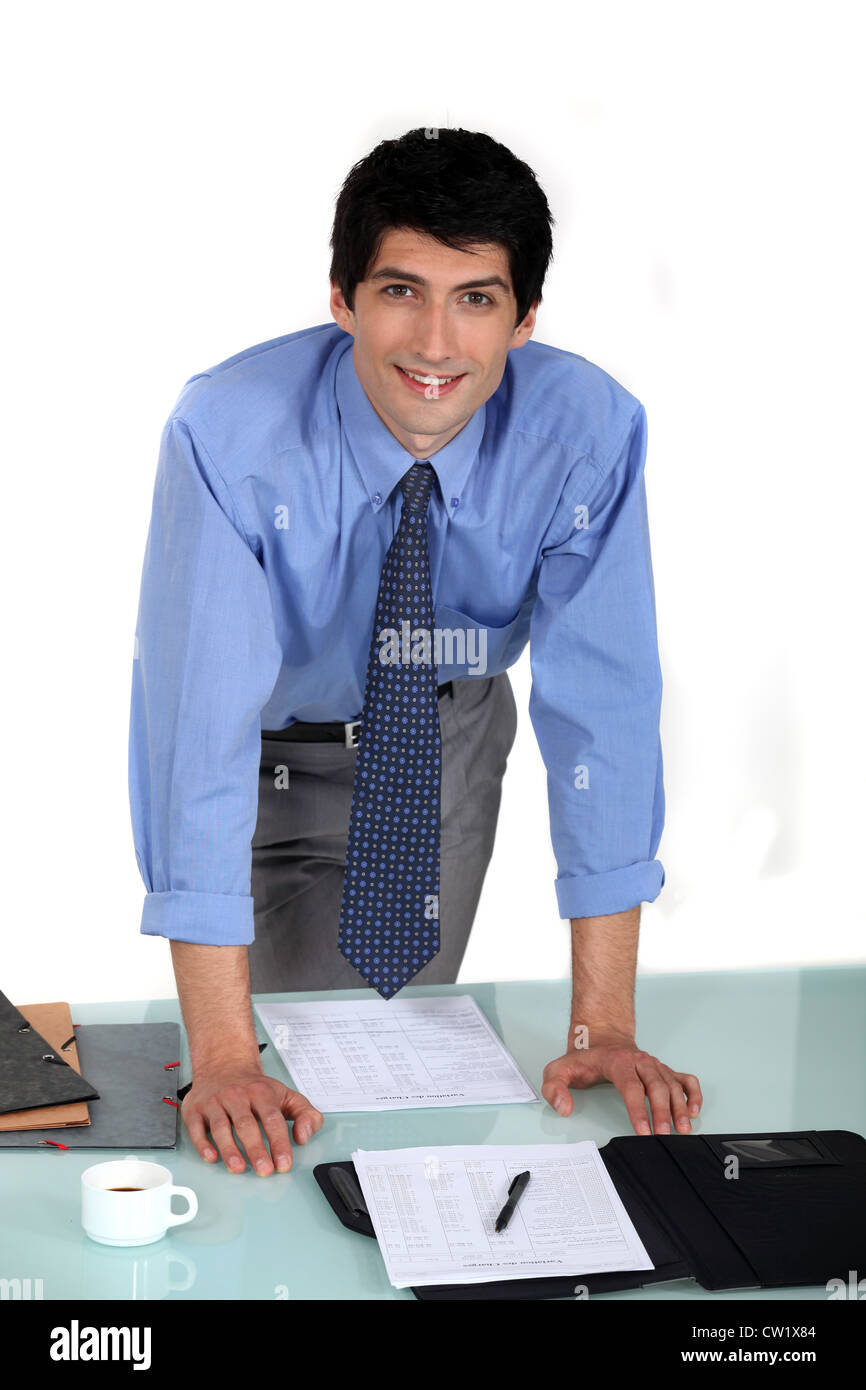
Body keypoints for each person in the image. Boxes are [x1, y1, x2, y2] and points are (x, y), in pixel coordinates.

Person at [128, 127, 702, 1176]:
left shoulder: (588, 432)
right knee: (259, 1094)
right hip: (266, 756)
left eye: (475, 298)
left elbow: (602, 717)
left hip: (444, 739)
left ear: (523, 318)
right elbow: (195, 733)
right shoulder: (228, 434)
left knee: (373, 1080)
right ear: (341, 297)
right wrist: (217, 1054)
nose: (434, 342)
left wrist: (601, 1027)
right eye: (400, 290)